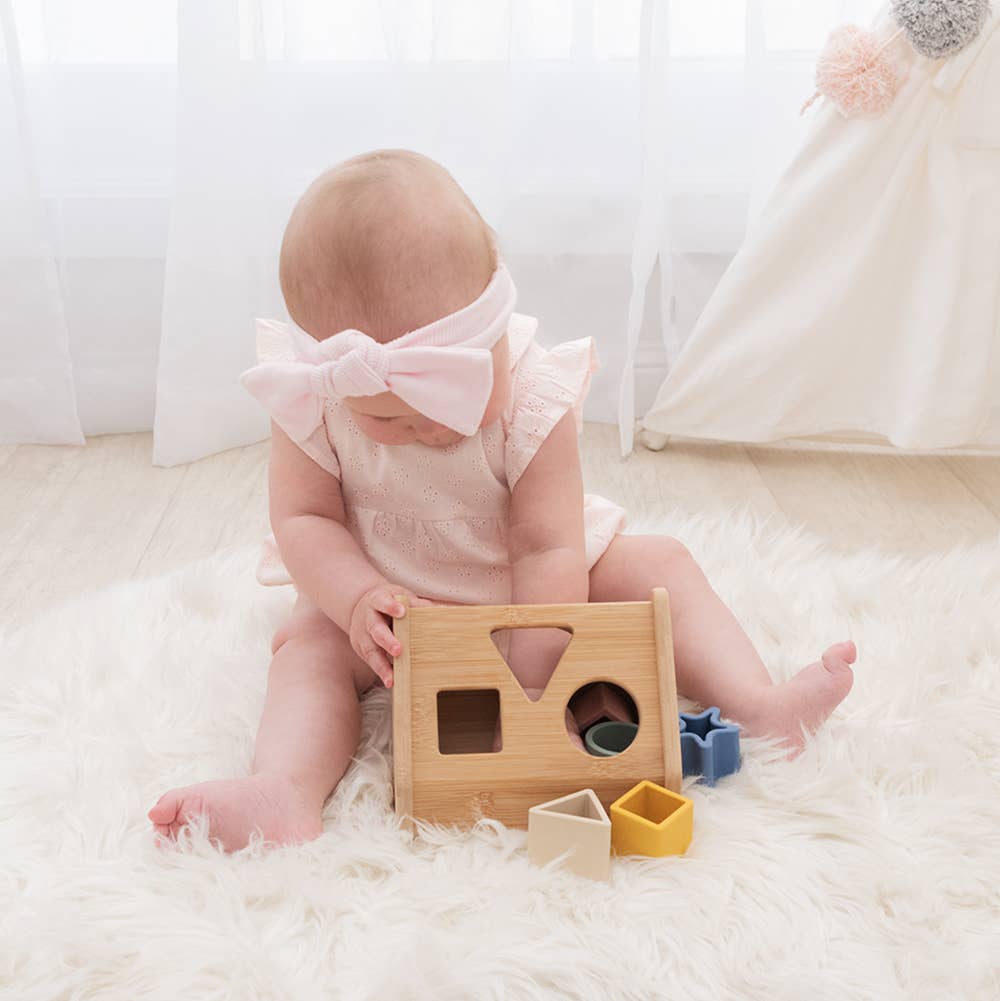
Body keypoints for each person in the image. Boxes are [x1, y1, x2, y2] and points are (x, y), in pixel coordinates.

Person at [149, 150, 856, 851]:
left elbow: (547, 545)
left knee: (661, 563)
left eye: (451, 398)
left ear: (495, 324)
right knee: (307, 643)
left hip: (541, 579)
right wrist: (357, 597)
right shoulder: (314, 397)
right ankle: (287, 788)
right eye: (392, 420)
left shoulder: (533, 393)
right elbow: (304, 519)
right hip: (395, 596)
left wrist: (526, 687)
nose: (432, 428)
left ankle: (760, 709)